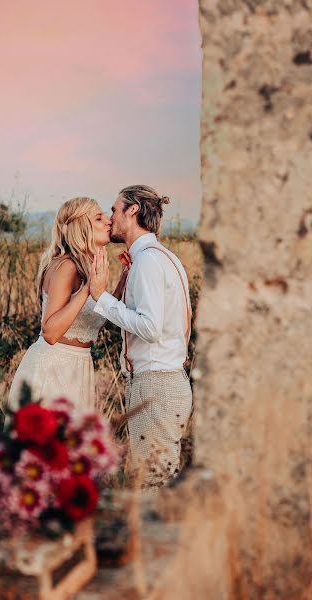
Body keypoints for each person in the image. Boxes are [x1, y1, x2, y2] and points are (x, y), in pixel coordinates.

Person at [90, 185, 193, 487]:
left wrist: (101, 297)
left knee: (153, 484)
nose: (111, 218)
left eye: (114, 210)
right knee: (157, 480)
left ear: (132, 210)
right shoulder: (160, 257)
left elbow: (150, 327)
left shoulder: (148, 261)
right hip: (163, 380)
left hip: (156, 386)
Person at [8, 197, 126, 412]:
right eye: (99, 218)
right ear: (81, 227)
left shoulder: (86, 266)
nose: (108, 221)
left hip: (79, 367)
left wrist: (123, 279)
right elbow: (50, 332)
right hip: (53, 367)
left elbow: (94, 323)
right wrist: (87, 289)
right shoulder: (66, 266)